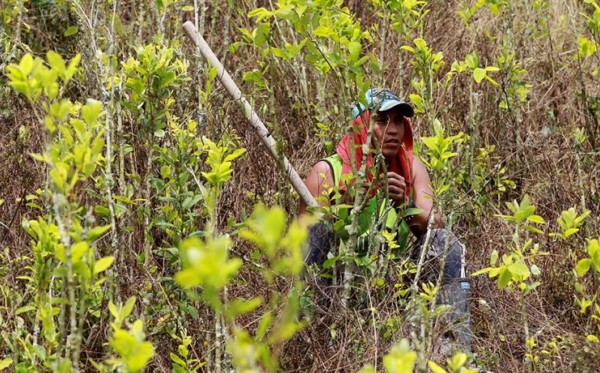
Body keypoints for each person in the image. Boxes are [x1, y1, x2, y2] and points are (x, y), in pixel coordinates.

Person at [299, 88, 473, 351]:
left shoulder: (411, 168)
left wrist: (405, 204)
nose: (393, 130)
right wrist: (349, 202)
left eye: (399, 121)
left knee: (445, 243)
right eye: (381, 121)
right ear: (361, 126)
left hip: (396, 287)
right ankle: (308, 342)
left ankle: (453, 350)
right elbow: (302, 248)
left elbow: (437, 227)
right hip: (339, 288)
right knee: (317, 231)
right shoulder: (327, 172)